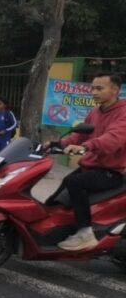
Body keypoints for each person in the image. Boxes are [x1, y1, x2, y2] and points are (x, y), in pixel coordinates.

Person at [55, 72, 126, 251]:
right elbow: (81, 133)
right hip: (91, 167)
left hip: (112, 171)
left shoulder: (123, 112)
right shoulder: (95, 112)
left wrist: (86, 147)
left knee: (75, 183)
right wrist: (59, 143)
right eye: (92, 88)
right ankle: (59, 227)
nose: (94, 92)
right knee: (63, 188)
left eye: (99, 88)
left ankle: (85, 233)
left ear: (115, 90)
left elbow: (114, 138)